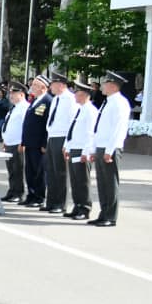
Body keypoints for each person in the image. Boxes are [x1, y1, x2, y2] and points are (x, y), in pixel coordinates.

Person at [88, 71, 131, 227]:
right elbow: (99, 128)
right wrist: (94, 149)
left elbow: (118, 129)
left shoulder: (120, 103)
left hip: (110, 148)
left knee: (110, 183)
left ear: (113, 85)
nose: (102, 87)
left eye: (105, 83)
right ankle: (103, 213)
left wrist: (109, 151)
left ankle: (110, 216)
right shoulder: (108, 102)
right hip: (101, 146)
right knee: (102, 183)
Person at [64, 81, 99, 220]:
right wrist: (68, 147)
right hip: (75, 148)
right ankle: (77, 206)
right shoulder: (80, 109)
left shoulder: (91, 111)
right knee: (75, 181)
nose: (75, 96)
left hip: (82, 150)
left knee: (82, 181)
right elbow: (73, 130)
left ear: (84, 95)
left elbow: (91, 133)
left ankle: (84, 208)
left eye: (77, 94)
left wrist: (87, 152)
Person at [42, 74, 76, 213]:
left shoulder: (70, 99)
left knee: (59, 172)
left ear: (61, 85)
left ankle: (60, 204)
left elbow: (72, 122)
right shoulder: (56, 98)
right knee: (50, 171)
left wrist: (67, 143)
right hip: (52, 136)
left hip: (62, 137)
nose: (50, 87)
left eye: (53, 84)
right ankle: (51, 201)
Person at [20, 76, 52, 207]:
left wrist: (44, 143)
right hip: (30, 142)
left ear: (43, 87)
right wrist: (23, 141)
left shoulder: (48, 101)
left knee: (39, 172)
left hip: (39, 144)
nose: (31, 87)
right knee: (30, 171)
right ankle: (31, 195)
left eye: (34, 85)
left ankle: (39, 197)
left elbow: (47, 124)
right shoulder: (35, 100)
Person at [0, 82, 28, 203]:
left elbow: (26, 126)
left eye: (14, 93)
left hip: (17, 143)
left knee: (17, 170)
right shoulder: (14, 108)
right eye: (10, 93)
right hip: (10, 143)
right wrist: (5, 140)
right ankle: (12, 191)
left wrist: (23, 142)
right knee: (11, 170)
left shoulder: (24, 107)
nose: (10, 95)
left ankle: (18, 193)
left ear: (21, 94)